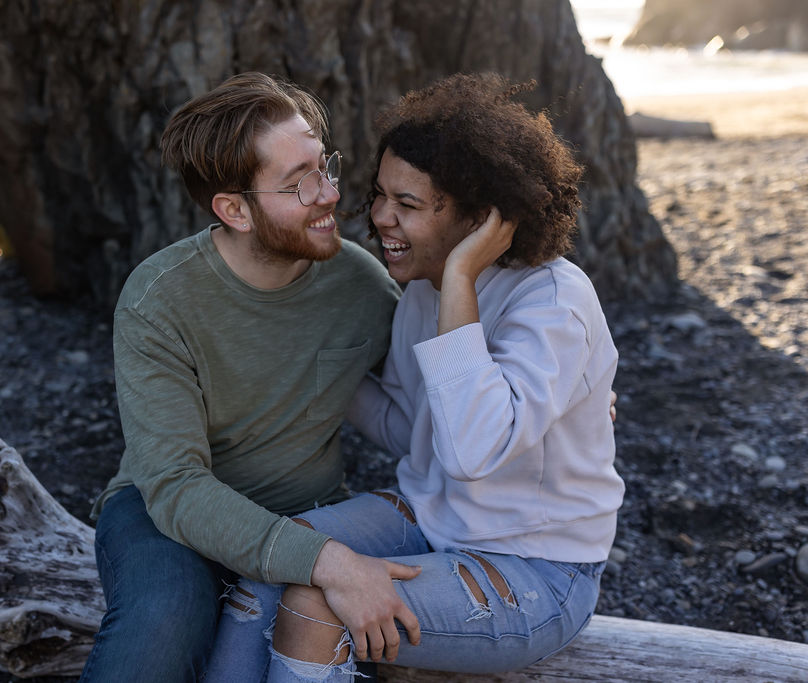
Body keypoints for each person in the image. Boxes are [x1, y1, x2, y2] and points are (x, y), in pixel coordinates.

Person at [205, 72, 626, 681]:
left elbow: (472, 451)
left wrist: (459, 281)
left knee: (317, 604)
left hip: (540, 565)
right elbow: (411, 430)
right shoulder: (420, 294)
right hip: (432, 519)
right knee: (283, 551)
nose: (379, 218)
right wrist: (311, 355)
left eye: (408, 205)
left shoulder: (552, 303)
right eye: (380, 195)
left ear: (481, 220)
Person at [78, 72, 423, 682]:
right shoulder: (158, 300)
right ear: (233, 210)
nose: (328, 194)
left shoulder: (361, 285)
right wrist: (329, 563)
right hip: (164, 513)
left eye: (326, 166)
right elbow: (176, 485)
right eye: (298, 185)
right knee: (164, 617)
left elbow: (438, 374)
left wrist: (561, 392)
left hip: (307, 510)